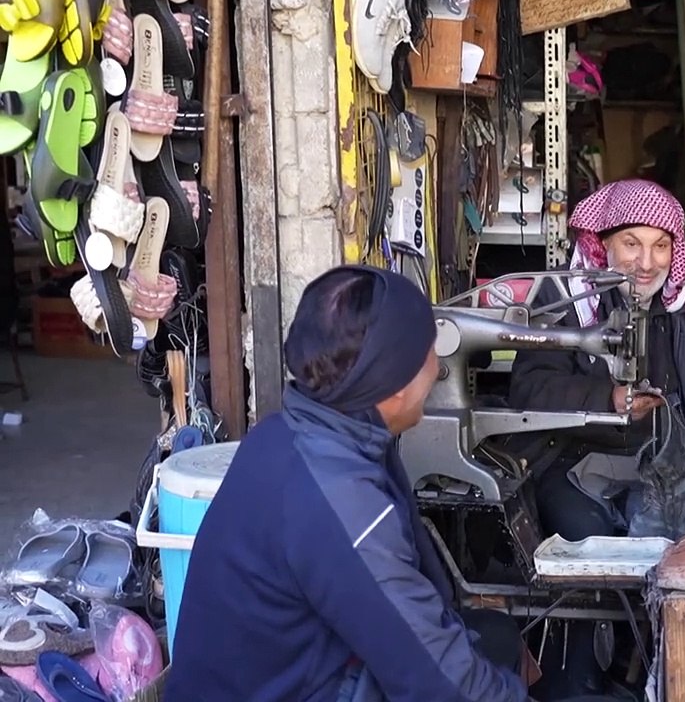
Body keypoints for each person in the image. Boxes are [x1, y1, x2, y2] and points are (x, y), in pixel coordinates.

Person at [165, 266, 593, 702]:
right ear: (393, 384)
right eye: (429, 352)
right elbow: (441, 685)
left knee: (493, 638)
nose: (438, 367)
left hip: (287, 673)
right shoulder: (342, 503)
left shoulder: (289, 433)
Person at [507, 179, 685, 697]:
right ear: (602, 243)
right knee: (590, 543)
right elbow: (530, 388)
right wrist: (605, 398)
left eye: (660, 245)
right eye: (631, 243)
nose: (646, 262)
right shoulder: (562, 302)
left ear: (676, 249)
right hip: (578, 461)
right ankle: (589, 672)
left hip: (678, 460)